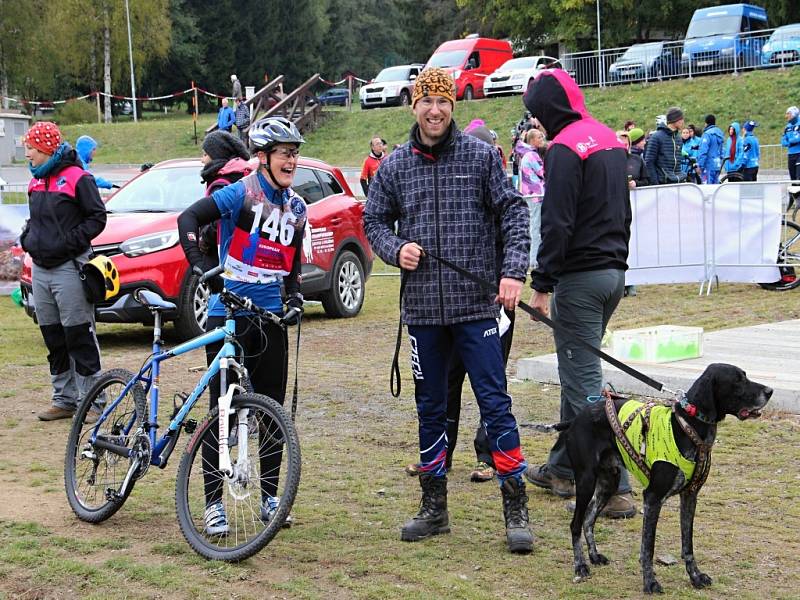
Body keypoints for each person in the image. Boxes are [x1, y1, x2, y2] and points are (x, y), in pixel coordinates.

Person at [363, 67, 534, 553]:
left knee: (495, 404)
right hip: (422, 314)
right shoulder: (394, 166)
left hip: (477, 309)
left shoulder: (481, 157)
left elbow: (514, 211)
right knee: (431, 409)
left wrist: (513, 271)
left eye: (443, 102)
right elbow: (373, 219)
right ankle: (433, 506)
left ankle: (514, 505)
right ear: (413, 107)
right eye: (426, 102)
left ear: (452, 107)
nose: (434, 110)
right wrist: (396, 249)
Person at [177, 117, 307, 535]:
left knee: (272, 413)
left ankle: (272, 497)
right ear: (263, 156)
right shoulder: (239, 193)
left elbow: (292, 265)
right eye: (285, 152)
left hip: (269, 316)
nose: (292, 160)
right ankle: (213, 503)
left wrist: (294, 299)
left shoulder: (297, 208)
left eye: (295, 152)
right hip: (229, 313)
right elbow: (188, 221)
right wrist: (203, 270)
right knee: (223, 412)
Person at [522, 69, 636, 519]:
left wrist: (542, 284)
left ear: (548, 109)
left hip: (580, 280)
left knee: (587, 385)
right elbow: (625, 210)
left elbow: (557, 222)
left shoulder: (565, 149)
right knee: (577, 371)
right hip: (612, 275)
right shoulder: (608, 139)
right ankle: (563, 468)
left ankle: (617, 485)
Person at [19, 122, 107, 421]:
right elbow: (35, 221)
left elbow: (97, 218)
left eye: (30, 148)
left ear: (45, 148)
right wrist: (27, 238)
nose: (26, 153)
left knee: (78, 333)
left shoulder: (78, 177)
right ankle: (64, 399)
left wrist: (70, 243)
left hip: (69, 268)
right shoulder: (35, 181)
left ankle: (93, 401)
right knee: (53, 336)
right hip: (41, 270)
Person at [644, 106, 685, 185]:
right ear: (675, 120)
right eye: (681, 119)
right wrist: (656, 184)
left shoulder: (679, 138)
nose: (683, 121)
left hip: (677, 182)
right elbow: (649, 162)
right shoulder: (656, 137)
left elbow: (678, 163)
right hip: (662, 184)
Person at [697, 114, 724, 184]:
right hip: (717, 165)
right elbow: (722, 151)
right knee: (715, 188)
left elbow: (703, 151)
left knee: (707, 190)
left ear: (706, 123)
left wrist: (700, 165)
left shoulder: (707, 134)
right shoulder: (720, 134)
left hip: (708, 166)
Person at [782, 106, 800, 181]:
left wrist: (790, 141)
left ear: (794, 114)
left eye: (788, 114)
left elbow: (797, 139)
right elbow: (783, 141)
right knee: (793, 179)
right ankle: (794, 193)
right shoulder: (787, 127)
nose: (786, 116)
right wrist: (791, 141)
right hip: (791, 155)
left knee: (799, 177)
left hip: (799, 153)